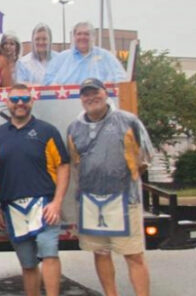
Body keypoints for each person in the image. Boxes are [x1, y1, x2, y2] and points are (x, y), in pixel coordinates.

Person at [66, 79, 155, 296]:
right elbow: (75, 163)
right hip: (91, 202)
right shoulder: (74, 128)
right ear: (81, 99)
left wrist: (124, 176)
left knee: (133, 254)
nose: (91, 98)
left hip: (124, 200)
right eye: (86, 94)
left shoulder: (128, 121)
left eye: (95, 92)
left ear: (105, 93)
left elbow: (145, 155)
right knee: (100, 252)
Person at [0, 83, 70, 296]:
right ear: (7, 103)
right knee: (28, 263)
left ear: (32, 101)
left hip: (44, 205)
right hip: (12, 207)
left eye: (24, 99)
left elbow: (63, 165)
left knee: (49, 253)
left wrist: (57, 202)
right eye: (15, 100)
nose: (20, 104)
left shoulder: (47, 131)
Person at [43, 22, 127, 85]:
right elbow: (47, 80)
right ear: (74, 37)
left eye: (86, 34)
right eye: (79, 34)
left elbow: (121, 78)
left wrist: (111, 84)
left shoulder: (106, 56)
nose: (82, 37)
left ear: (93, 37)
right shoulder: (61, 58)